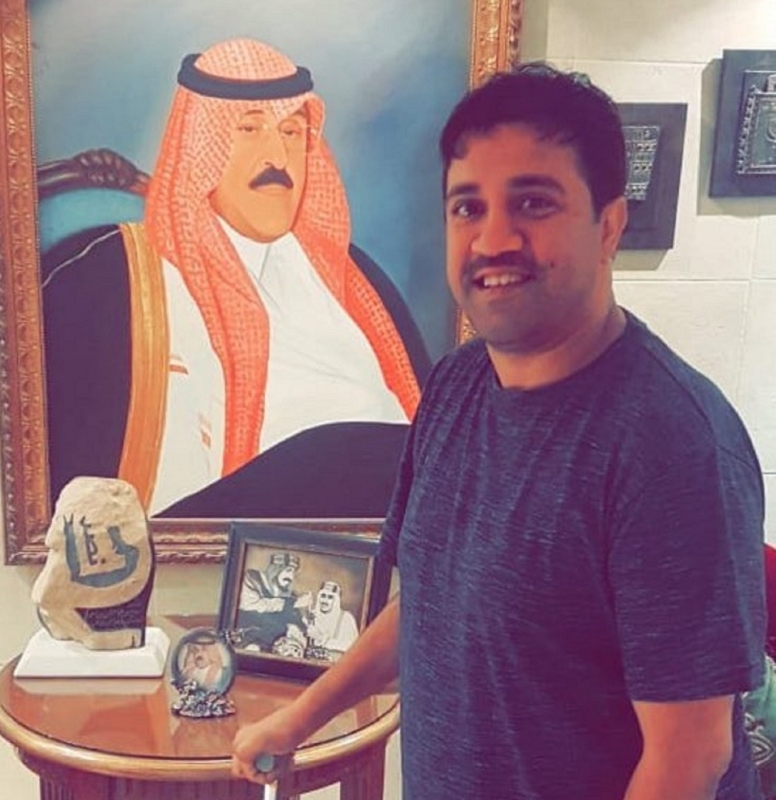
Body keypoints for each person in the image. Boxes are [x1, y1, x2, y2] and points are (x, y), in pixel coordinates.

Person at [230, 63, 767, 799]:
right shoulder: (455, 385)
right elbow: (428, 603)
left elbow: (689, 760)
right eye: (467, 207)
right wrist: (298, 719)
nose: (493, 239)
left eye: (533, 202)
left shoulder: (673, 445)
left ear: (610, 225)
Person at [42, 37, 431, 517]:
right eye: (249, 129)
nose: (277, 158)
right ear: (201, 145)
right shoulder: (111, 280)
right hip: (203, 551)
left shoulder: (359, 283)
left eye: (292, 132)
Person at [236, 552, 313, 654]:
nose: (291, 577)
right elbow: (250, 605)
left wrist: (299, 626)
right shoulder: (253, 579)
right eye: (288, 571)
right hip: (247, 636)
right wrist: (291, 604)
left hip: (272, 647)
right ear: (276, 569)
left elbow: (295, 620)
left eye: (293, 573)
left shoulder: (291, 595)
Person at [305, 581, 359, 661]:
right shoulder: (310, 616)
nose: (325, 601)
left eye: (330, 597)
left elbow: (353, 647)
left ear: (336, 600)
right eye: (323, 596)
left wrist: (321, 638)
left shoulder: (346, 619)